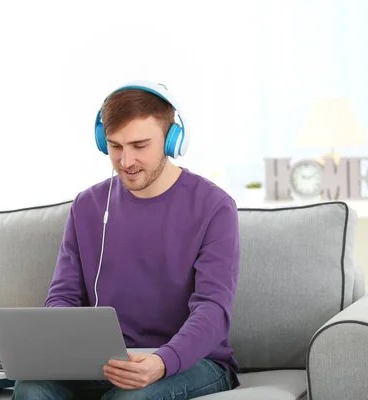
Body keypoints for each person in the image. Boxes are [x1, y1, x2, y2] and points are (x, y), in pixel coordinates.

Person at [12, 81, 240, 400]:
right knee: (32, 389)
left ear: (172, 140)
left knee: (132, 398)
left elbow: (213, 310)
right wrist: (56, 345)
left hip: (192, 362)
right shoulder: (88, 206)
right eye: (115, 146)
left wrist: (163, 361)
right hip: (107, 363)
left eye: (139, 145)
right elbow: (64, 294)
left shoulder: (214, 206)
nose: (126, 161)